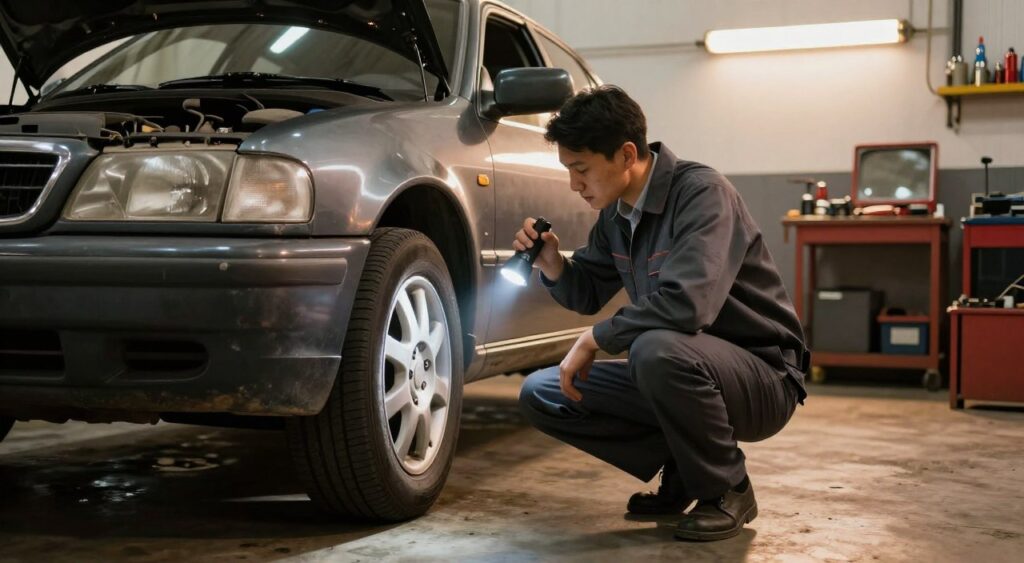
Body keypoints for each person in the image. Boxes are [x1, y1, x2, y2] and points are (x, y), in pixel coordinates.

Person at [514, 85, 809, 542]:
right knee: (544, 392)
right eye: (569, 169)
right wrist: (553, 263)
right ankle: (689, 468)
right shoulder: (616, 216)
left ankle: (728, 488)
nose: (574, 184)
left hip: (764, 376)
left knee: (654, 349)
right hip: (684, 367)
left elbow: (688, 305)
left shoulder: (703, 194)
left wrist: (595, 338)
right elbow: (588, 291)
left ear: (626, 154)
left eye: (581, 169)